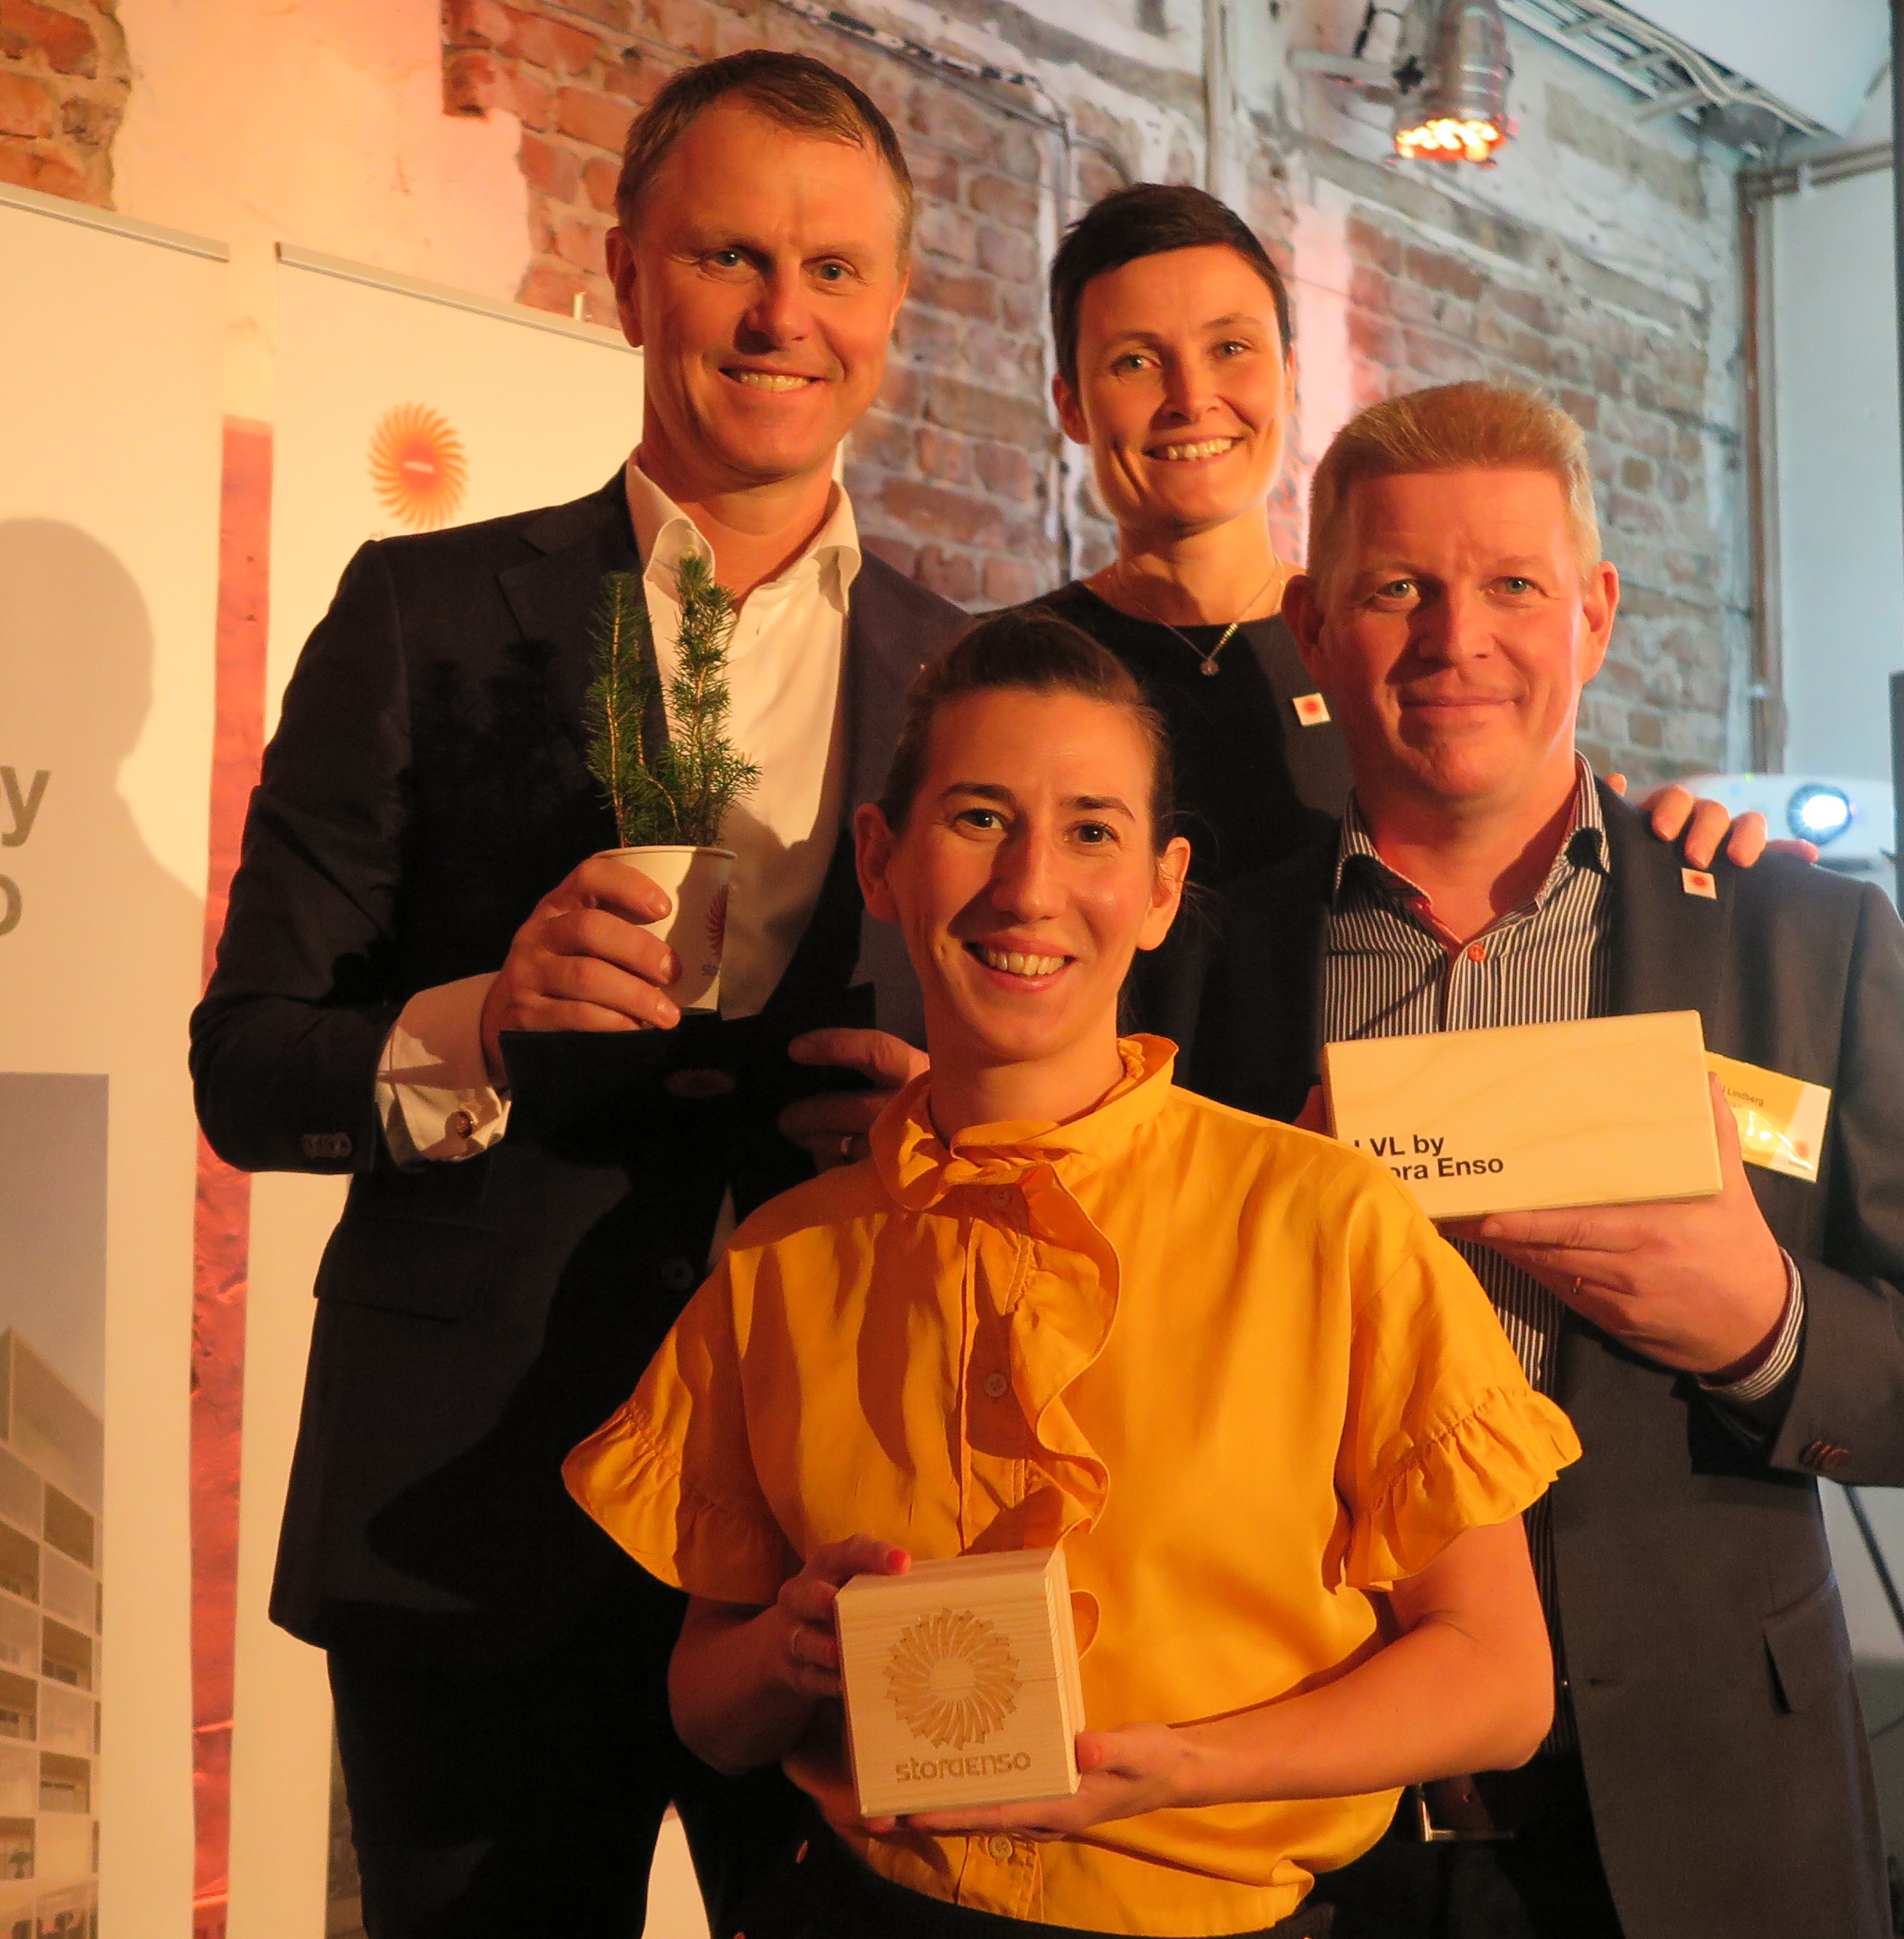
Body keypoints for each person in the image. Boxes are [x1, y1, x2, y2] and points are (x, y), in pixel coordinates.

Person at [189, 49, 967, 1938]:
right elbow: (250, 1067)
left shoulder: (972, 674)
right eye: (728, 257)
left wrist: (943, 1125)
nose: (784, 315)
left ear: (892, 312)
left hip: (844, 1518)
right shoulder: (421, 615)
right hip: (470, 1514)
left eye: (836, 270)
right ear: (625, 276)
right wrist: (478, 1019)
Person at [566, 606, 1584, 1937]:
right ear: (880, 860)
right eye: (978, 817)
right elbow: (709, 1708)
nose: (1029, 886)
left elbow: (1498, 1683)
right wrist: (788, 1647)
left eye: (1092, 831)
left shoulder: (1326, 1221)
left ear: (1161, 890)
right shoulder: (781, 1261)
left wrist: (1184, 1770)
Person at [1170, 381, 1904, 1938]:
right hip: (1308, 1814)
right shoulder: (1192, 965)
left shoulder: (1802, 940)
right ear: (1312, 628)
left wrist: (1767, 1325)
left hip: (1713, 1816)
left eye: (1512, 584)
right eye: (1397, 589)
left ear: (1594, 613)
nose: (1457, 641)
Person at [1034, 183, 1775, 891]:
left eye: (1230, 348)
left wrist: (1668, 848)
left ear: (1289, 377)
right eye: (1135, 362)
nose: (1192, 399)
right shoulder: (1004, 672)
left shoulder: (1402, 657)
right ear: (1071, 405)